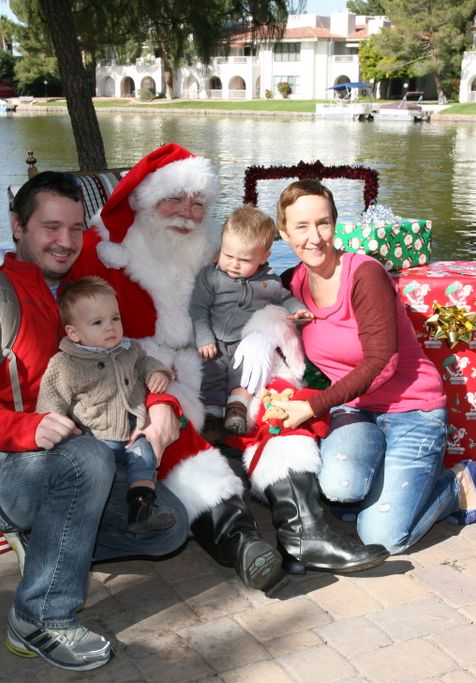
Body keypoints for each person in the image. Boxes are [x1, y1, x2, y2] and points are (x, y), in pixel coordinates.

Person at [63, 143, 390, 581]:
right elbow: (57, 294)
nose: (186, 213)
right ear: (145, 200)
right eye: (174, 198)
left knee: (277, 396)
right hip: (141, 368)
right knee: (168, 421)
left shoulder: (217, 247)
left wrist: (263, 330)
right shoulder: (102, 248)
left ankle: (303, 532)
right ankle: (239, 541)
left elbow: (263, 293)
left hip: (219, 361)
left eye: (198, 204)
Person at [0, 171, 190, 673]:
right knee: (87, 458)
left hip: (70, 460)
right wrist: (24, 429)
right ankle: (39, 618)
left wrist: (161, 406)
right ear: (17, 226)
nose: (65, 242)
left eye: (75, 229)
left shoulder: (78, 296)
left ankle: (47, 546)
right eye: (50, 227)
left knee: (167, 529)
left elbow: (125, 364)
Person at [266, 179, 476, 555]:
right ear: (284, 232)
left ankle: (454, 485)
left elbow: (382, 363)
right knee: (340, 488)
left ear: (335, 225)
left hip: (414, 408)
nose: (314, 237)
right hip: (357, 409)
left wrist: (313, 406)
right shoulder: (291, 286)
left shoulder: (365, 275)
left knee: (383, 538)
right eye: (300, 226)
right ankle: (381, 477)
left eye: (323, 223)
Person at [37, 276, 176, 534]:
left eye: (115, 318)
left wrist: (158, 373)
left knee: (144, 458)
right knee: (98, 474)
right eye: (97, 323)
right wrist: (55, 427)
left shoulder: (129, 350)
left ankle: (141, 507)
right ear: (73, 333)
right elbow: (51, 399)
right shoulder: (66, 364)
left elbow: (146, 363)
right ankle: (87, 518)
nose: (110, 327)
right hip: (96, 437)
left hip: (133, 431)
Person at [189, 206, 311, 435]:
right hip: (215, 341)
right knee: (210, 373)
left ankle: (237, 409)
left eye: (244, 260)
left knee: (246, 375)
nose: (234, 264)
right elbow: (198, 308)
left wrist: (298, 309)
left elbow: (285, 298)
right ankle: (213, 418)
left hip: (245, 343)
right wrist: (204, 336)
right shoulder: (211, 277)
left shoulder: (270, 282)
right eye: (228, 255)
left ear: (264, 257)